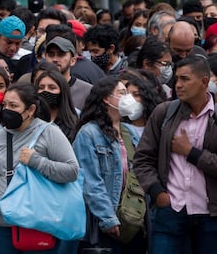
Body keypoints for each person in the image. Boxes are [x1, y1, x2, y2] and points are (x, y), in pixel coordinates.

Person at [0, 83, 79, 253]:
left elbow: (72, 171)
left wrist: (37, 161)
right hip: (2, 224)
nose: (6, 110)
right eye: (5, 105)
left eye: (13, 106)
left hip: (38, 222)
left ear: (30, 110)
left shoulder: (49, 133)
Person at [133, 55, 217, 254]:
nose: (178, 85)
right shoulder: (165, 112)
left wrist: (192, 153)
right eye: (176, 79)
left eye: (185, 79)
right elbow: (143, 158)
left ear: (204, 82)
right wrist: (156, 192)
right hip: (171, 211)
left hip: (211, 216)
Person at [73, 76, 146, 253]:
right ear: (106, 98)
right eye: (122, 93)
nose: (128, 98)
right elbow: (91, 182)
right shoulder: (88, 134)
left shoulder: (129, 132)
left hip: (132, 219)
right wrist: (108, 218)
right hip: (104, 221)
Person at [44, 35, 93, 110]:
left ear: (73, 61)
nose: (55, 59)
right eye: (51, 55)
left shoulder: (87, 91)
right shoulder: (36, 86)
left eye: (61, 54)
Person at [34, 69, 79, 143]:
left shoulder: (75, 125)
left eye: (52, 88)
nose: (45, 91)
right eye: (41, 88)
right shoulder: (31, 122)